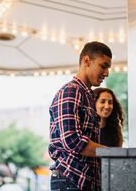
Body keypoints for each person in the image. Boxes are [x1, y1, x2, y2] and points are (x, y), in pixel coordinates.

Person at [48, 41, 112, 191]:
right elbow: (72, 140)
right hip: (70, 180)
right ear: (87, 60)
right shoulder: (71, 91)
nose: (107, 73)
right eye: (103, 66)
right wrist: (111, 152)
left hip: (78, 182)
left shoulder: (87, 94)